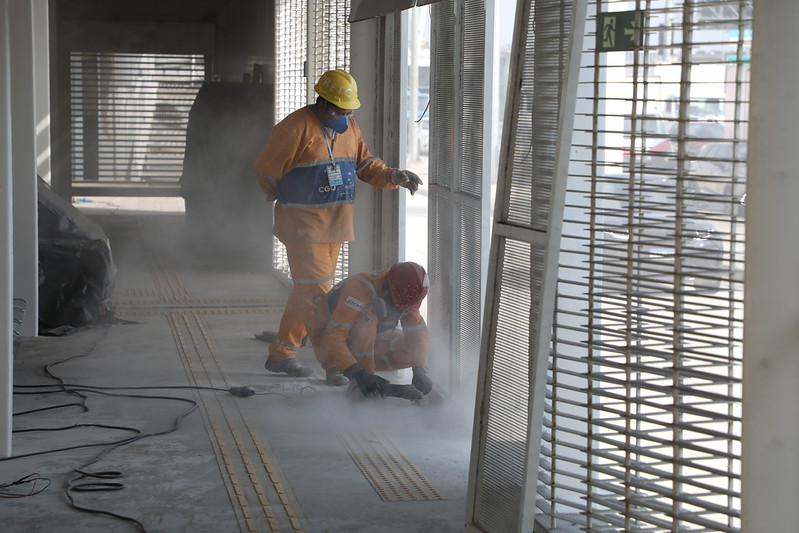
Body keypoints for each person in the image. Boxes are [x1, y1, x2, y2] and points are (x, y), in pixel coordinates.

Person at [254, 70, 423, 379]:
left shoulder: (350, 129)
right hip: (303, 226)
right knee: (317, 295)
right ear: (322, 104)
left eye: (349, 111)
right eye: (338, 110)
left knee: (308, 291)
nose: (344, 116)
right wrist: (274, 192)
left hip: (335, 224)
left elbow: (366, 164)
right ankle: (335, 364)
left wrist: (393, 176)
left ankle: (281, 351)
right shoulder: (295, 128)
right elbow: (266, 169)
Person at [308, 261, 434, 395]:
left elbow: (417, 332)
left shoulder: (407, 293)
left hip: (365, 342)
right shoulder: (358, 290)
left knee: (427, 350)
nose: (398, 311)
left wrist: (419, 368)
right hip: (327, 344)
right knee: (367, 317)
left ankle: (365, 377)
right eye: (397, 305)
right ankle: (355, 379)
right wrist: (358, 373)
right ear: (388, 287)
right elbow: (333, 336)